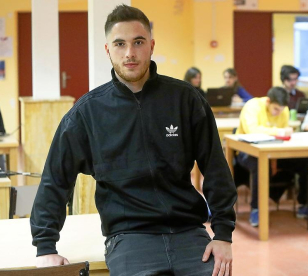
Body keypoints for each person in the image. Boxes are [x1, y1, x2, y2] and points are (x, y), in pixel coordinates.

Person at [30, 5, 237, 276]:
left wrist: (223, 234)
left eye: (138, 42)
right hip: (129, 238)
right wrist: (45, 246)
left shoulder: (186, 100)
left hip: (189, 233)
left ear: (151, 46)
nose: (129, 53)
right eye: (120, 44)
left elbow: (215, 167)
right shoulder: (87, 113)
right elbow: (55, 179)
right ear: (108, 50)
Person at [235, 87, 308, 226]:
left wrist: (281, 133)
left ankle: (303, 204)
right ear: (268, 102)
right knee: (259, 165)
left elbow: (283, 136)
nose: (279, 113)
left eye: (282, 110)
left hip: (274, 152)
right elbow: (252, 131)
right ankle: (256, 209)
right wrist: (279, 131)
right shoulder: (252, 106)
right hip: (247, 151)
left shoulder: (284, 111)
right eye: (276, 109)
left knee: (305, 162)